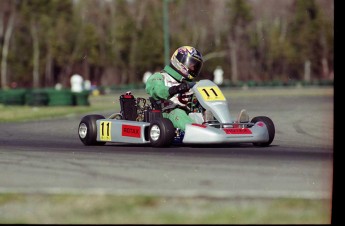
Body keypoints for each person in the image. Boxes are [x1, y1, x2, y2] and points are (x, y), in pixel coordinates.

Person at [145, 46, 203, 131]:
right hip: (166, 113)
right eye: (191, 65)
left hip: (189, 112)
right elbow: (157, 90)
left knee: (206, 111)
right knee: (178, 113)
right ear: (179, 61)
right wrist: (175, 89)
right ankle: (197, 132)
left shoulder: (188, 83)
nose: (193, 68)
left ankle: (216, 127)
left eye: (196, 66)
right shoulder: (160, 77)